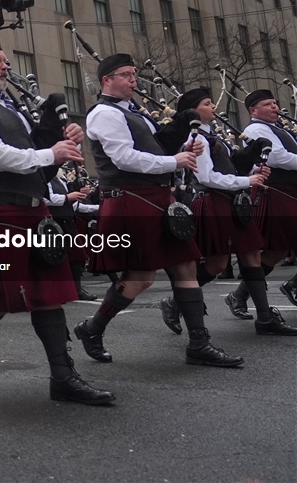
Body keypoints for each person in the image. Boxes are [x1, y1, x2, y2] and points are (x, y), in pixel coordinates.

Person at [0, 36, 114, 406]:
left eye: (6, 60)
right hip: (0, 215)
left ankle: (63, 377)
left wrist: (61, 145)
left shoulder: (13, 110)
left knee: (49, 298)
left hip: (35, 213)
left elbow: (35, 162)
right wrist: (50, 151)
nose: (6, 66)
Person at [76, 54, 242, 367]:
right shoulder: (103, 113)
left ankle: (199, 344)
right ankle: (92, 328)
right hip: (130, 200)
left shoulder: (136, 114)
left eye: (133, 74)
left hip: (156, 198)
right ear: (106, 80)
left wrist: (182, 149)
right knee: (140, 277)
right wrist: (174, 162)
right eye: (125, 75)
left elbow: (153, 150)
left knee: (186, 266)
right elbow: (124, 158)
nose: (133, 80)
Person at [156, 89, 295, 336]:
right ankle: (174, 303)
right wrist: (247, 181)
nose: (214, 107)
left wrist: (250, 166)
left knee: (252, 256)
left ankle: (264, 318)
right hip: (213, 203)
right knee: (218, 263)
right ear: (193, 111)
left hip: (232, 202)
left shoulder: (214, 136)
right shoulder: (196, 139)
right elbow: (207, 178)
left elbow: (229, 169)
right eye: (207, 103)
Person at [224, 90, 297, 316]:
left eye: (275, 103)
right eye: (268, 104)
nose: (275, 107)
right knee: (276, 249)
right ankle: (241, 295)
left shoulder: (279, 129)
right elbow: (277, 158)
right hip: (277, 191)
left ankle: (241, 295)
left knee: (278, 249)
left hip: (289, 192)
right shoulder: (255, 129)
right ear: (253, 110)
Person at [44, 170, 98, 301]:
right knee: (57, 259)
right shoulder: (46, 180)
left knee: (78, 257)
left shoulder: (60, 181)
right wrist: (68, 197)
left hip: (68, 222)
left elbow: (73, 205)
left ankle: (76, 290)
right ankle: (59, 290)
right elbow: (46, 199)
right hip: (55, 223)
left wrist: (79, 195)